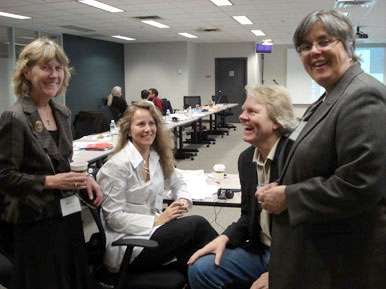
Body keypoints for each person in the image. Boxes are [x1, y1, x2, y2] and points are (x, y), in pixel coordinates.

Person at [256, 10, 386, 289]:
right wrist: (283, 183)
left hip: (339, 263)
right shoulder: (328, 97)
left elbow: (360, 184)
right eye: (304, 46)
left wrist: (289, 196)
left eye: (324, 41)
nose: (313, 51)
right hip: (313, 251)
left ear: (349, 45)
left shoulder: (363, 95)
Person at [0, 38, 103, 289]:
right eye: (45, 67)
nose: (54, 74)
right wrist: (49, 181)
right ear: (27, 71)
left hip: (65, 215)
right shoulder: (14, 118)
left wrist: (84, 177)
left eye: (58, 68)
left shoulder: (63, 113)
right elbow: (4, 176)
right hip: (33, 220)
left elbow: (61, 162)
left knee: (71, 274)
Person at [188, 85, 297, 289]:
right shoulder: (246, 159)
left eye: (252, 111)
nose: (241, 117)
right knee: (200, 269)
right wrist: (225, 237)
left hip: (294, 256)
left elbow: (310, 230)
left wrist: (275, 274)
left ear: (276, 121)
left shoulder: (297, 158)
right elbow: (248, 215)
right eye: (244, 110)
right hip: (260, 250)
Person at [96, 100, 218, 274]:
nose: (148, 129)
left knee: (193, 251)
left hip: (154, 233)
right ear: (129, 131)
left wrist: (182, 198)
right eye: (140, 124)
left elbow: (178, 182)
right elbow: (114, 219)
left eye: (151, 123)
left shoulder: (155, 157)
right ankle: (231, 269)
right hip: (130, 245)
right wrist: (157, 220)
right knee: (197, 225)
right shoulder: (117, 166)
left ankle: (211, 277)